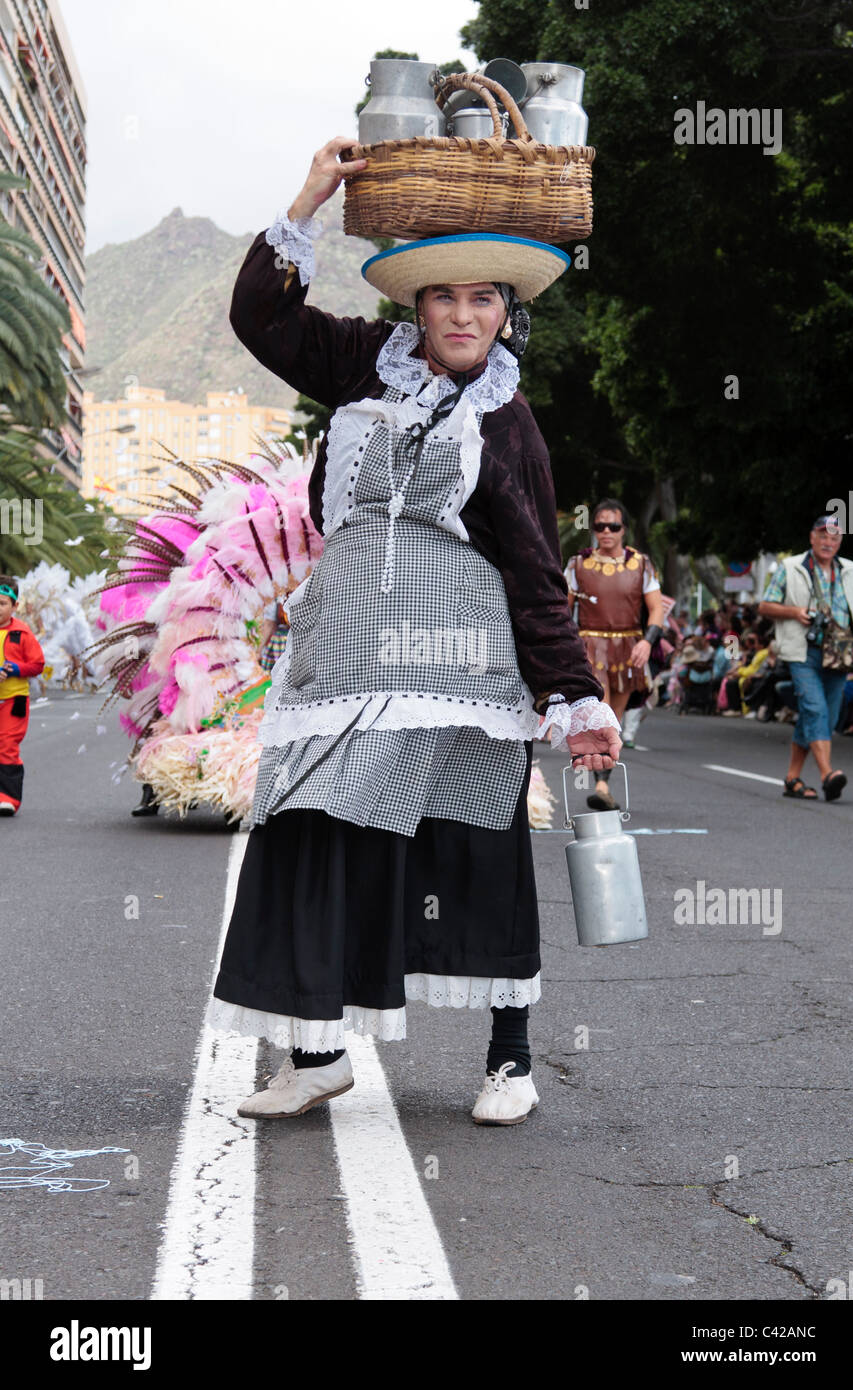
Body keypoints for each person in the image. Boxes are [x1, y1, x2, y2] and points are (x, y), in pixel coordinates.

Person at [205, 136, 622, 1126]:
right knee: (309, 830)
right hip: (341, 657)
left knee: (467, 847)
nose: (464, 314)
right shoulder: (357, 360)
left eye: (484, 299)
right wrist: (308, 195)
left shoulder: (507, 422)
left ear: (505, 312)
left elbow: (531, 573)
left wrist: (570, 697)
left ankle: (509, 1061)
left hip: (455, 671)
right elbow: (259, 316)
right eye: (444, 297)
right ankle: (315, 1054)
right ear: (415, 308)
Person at [758, 516, 853, 800]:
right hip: (803, 651)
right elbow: (765, 605)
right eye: (823, 536)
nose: (828, 542)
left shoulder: (850, 569)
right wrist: (795, 612)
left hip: (840, 653)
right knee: (815, 708)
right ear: (812, 538)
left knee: (825, 717)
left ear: (839, 542)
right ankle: (827, 774)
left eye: (834, 538)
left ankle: (792, 778)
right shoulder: (790, 567)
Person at [565, 499, 663, 808]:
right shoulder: (577, 564)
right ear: (593, 529)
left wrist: (647, 641)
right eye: (600, 525)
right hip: (591, 648)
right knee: (601, 712)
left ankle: (603, 784)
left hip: (628, 647)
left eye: (614, 526)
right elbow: (563, 610)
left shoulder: (641, 564)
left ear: (624, 530)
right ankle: (602, 788)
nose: (606, 531)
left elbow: (656, 609)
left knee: (614, 719)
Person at [0, 576, 45, 815]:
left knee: (7, 746)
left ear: (14, 606)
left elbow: (37, 664)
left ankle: (7, 798)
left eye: (2, 603)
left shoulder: (22, 633)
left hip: (13, 699)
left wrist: (15, 669)